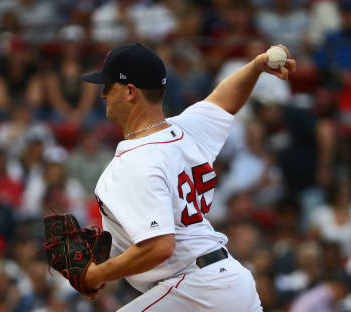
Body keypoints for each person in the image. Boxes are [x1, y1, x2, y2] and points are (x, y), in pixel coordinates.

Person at [78, 42, 296, 310]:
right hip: (229, 282)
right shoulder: (185, 130)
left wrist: (95, 275)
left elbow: (160, 247)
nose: (102, 95)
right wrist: (254, 68)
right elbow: (223, 102)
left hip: (196, 290)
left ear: (130, 92)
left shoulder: (134, 162)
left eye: (108, 85)